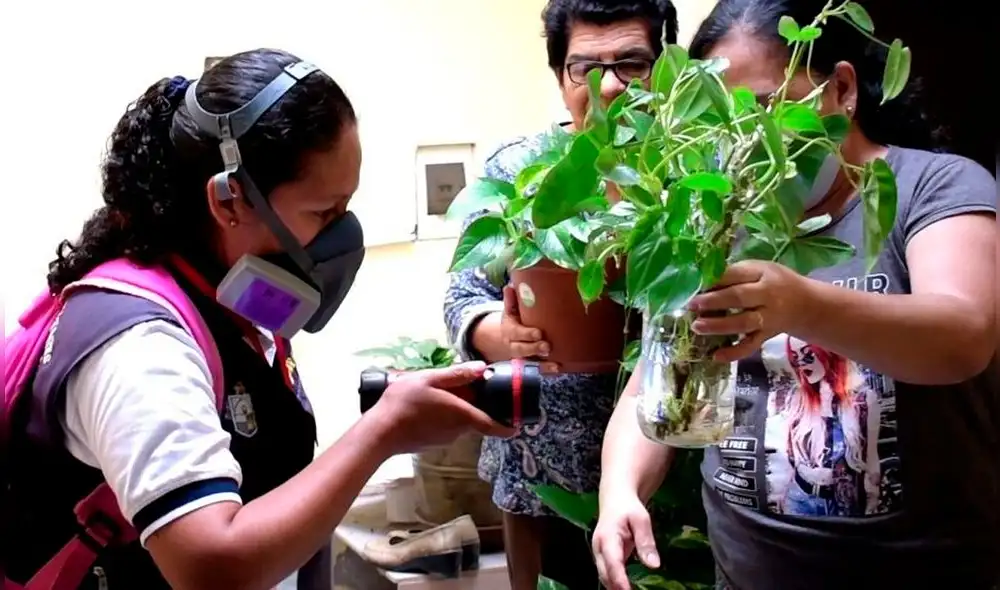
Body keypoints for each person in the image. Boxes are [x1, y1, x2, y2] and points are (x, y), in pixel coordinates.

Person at [3, 48, 512, 590]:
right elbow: (209, 566)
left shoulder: (227, 303)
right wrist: (381, 432)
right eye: (324, 214)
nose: (343, 238)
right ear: (228, 202)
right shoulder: (142, 349)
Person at [590, 1, 998, 589]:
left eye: (762, 111)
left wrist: (802, 305)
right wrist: (620, 490)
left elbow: (964, 335)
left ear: (840, 89)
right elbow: (659, 377)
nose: (742, 144)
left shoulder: (934, 187)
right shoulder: (723, 216)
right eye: (720, 122)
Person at [442, 1, 678, 588]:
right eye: (586, 68)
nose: (610, 87)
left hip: (664, 469)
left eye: (632, 64)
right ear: (559, 75)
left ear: (665, 67)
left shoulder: (688, 172)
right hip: (536, 464)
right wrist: (493, 330)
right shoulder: (520, 169)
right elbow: (461, 292)